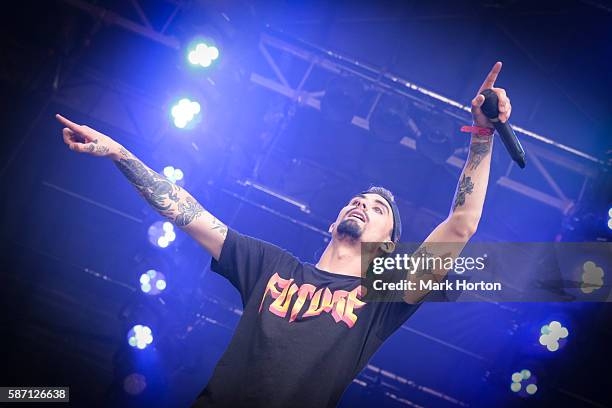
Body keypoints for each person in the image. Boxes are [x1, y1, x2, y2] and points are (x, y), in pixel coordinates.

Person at [56, 62, 511, 408]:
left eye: (377, 210)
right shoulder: (271, 265)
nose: (361, 205)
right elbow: (187, 211)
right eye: (357, 200)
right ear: (332, 223)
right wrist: (118, 151)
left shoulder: (384, 295)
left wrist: (482, 136)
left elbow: (461, 223)